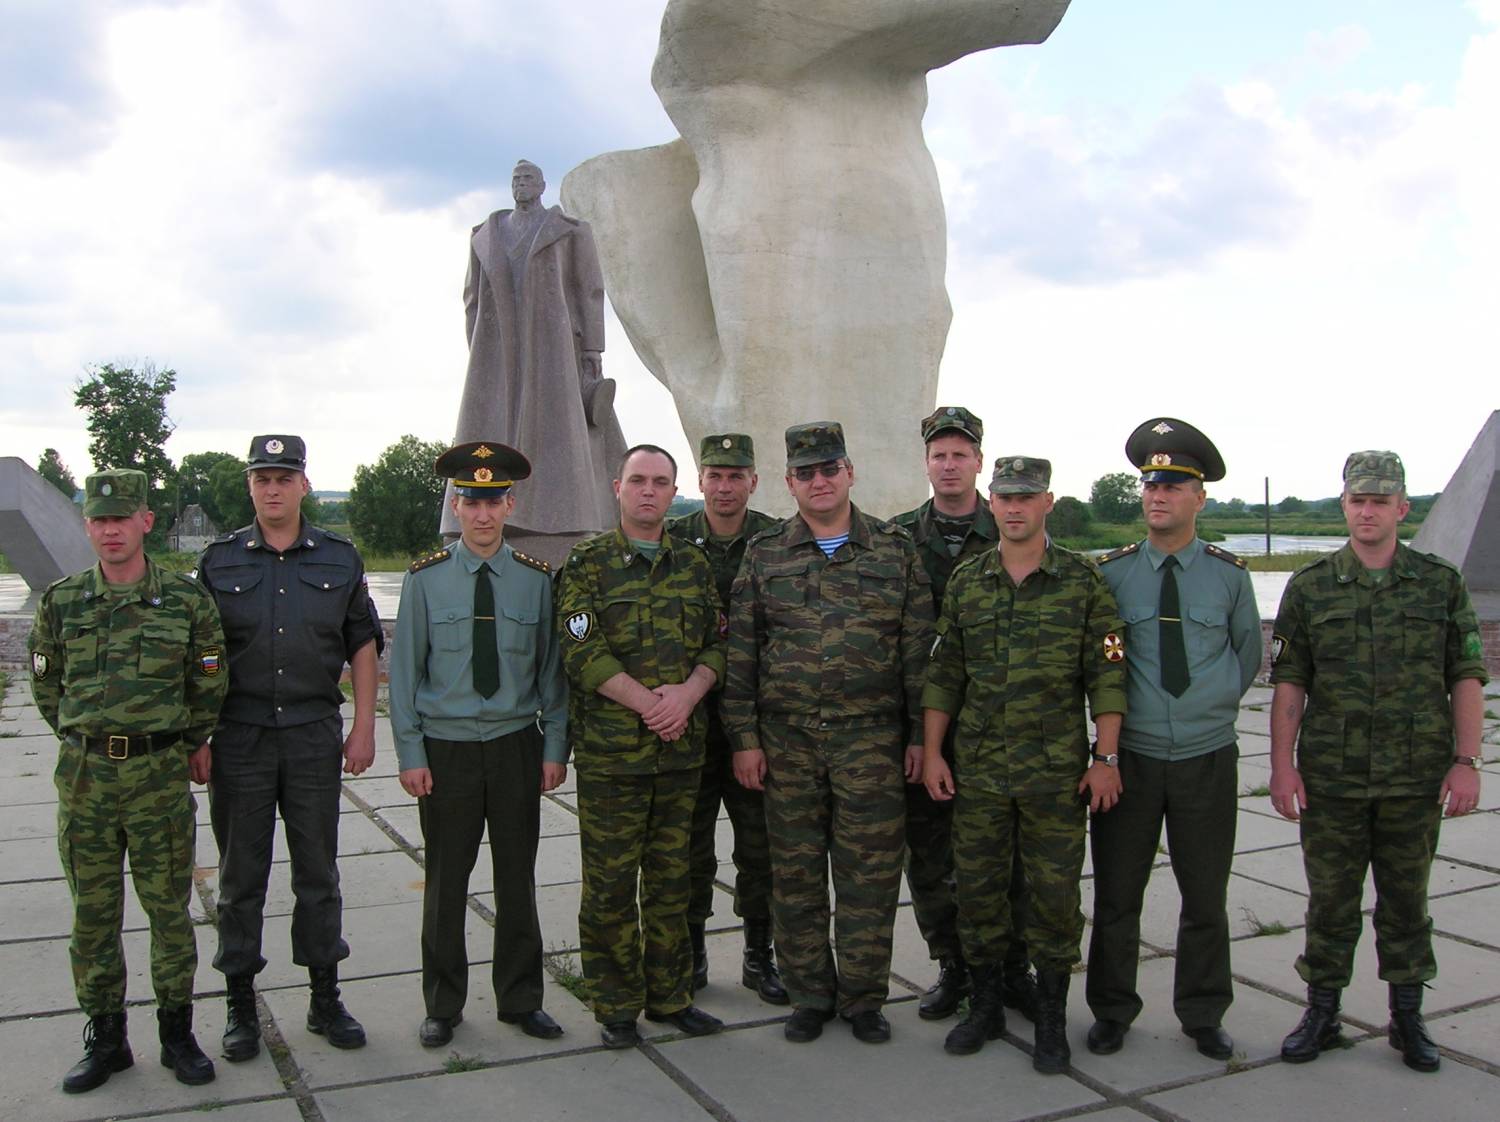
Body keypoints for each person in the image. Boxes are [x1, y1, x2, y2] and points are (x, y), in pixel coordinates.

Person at [1269, 450, 1487, 1073]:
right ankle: (1322, 1011)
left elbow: (1466, 674)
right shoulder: (1310, 585)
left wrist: (1466, 760)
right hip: (1331, 780)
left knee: (1406, 902)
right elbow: (1290, 681)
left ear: (1401, 507)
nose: (1367, 510)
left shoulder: (1438, 582)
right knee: (1330, 903)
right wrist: (1282, 767)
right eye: (1357, 499)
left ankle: (1408, 1016)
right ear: (1344, 505)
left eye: (1379, 500)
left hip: (1413, 778)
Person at [726, 421, 933, 1045]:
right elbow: (741, 653)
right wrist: (745, 739)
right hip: (786, 742)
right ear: (789, 481)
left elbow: (920, 656)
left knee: (868, 877)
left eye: (830, 468)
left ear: (850, 473)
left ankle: (864, 998)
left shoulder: (894, 552)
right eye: (806, 472)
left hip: (870, 742)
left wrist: (924, 738)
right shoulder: (764, 554)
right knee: (795, 876)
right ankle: (810, 994)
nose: (820, 481)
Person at [923, 456, 1126, 1073]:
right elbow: (944, 673)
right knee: (979, 892)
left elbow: (1109, 675)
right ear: (991, 502)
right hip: (980, 770)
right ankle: (984, 1005)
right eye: (1004, 497)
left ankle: (1051, 1017)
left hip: (1054, 773)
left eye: (1026, 497)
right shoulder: (968, 581)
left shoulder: (1083, 582)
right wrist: (932, 751)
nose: (1014, 507)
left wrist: (1106, 757)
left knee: (1055, 897)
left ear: (1048, 503)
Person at [29, 469, 225, 1093]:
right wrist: (85, 734)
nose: (110, 530)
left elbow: (209, 684)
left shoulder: (186, 601)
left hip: (157, 777)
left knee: (168, 908)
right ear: (88, 525)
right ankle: (105, 1036)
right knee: (93, 914)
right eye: (98, 520)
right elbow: (46, 685)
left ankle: (177, 1032)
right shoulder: (62, 601)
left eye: (122, 518)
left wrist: (184, 743)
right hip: (85, 779)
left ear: (145, 520)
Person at [195, 435, 384, 1061]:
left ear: (304, 484)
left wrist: (363, 726)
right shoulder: (221, 562)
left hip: (310, 737)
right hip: (240, 738)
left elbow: (362, 641)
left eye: (283, 477)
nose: (272, 488)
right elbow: (197, 655)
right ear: (250, 487)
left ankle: (324, 997)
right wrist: (199, 734)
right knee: (239, 879)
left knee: (318, 875)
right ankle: (240, 1006)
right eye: (261, 478)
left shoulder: (339, 557)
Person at [1085, 417, 1261, 1062]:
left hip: (1205, 758)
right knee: (1116, 895)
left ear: (1199, 496)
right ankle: (1110, 1009)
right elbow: (1097, 665)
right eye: (1149, 483)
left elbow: (1246, 660)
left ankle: (1203, 1012)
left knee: (1205, 895)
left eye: (1173, 483)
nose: (1157, 494)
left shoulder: (1229, 576)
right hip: (1129, 759)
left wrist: (1204, 713)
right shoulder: (1110, 574)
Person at [389, 441, 569, 1048]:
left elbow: (552, 674)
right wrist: (410, 755)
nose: (484, 514)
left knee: (517, 877)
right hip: (447, 752)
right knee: (446, 881)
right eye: (471, 501)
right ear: (456, 506)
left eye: (494, 501)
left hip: (517, 746)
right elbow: (405, 676)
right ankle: (443, 1003)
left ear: (509, 503)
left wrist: (554, 749)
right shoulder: (424, 581)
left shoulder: (535, 582)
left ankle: (521, 1000)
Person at [556, 444, 726, 1048]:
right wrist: (650, 704)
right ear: (617, 487)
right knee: (608, 886)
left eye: (660, 481)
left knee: (673, 882)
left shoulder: (695, 565)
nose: (648, 491)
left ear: (675, 490)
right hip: (613, 757)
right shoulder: (587, 563)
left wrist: (688, 694)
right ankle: (617, 1007)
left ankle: (672, 997)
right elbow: (582, 652)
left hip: (680, 753)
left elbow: (717, 645)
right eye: (638, 480)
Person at [893, 406, 1037, 1023]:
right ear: (926, 464)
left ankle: (1011, 971)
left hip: (1001, 731)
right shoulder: (897, 540)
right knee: (928, 858)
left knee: (1010, 860)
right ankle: (952, 966)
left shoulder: (1011, 528)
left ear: (979, 461)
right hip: (922, 730)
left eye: (960, 455)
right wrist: (913, 736)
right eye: (939, 455)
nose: (949, 465)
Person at [446, 159, 627, 543]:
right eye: (515, 180)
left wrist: (593, 347)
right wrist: (480, 358)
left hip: (555, 347)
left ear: (543, 185)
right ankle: (487, 503)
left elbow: (590, 290)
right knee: (492, 427)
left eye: (528, 179)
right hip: (496, 351)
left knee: (558, 428)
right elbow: (472, 299)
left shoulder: (571, 232)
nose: (521, 185)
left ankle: (563, 515)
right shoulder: (485, 235)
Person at [666, 434, 786, 1004]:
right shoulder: (673, 541)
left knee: (759, 848)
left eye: (736, 475)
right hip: (687, 722)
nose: (724, 486)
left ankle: (759, 955)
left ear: (753, 482)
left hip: (756, 726)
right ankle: (690, 952)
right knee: (689, 846)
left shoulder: (777, 541)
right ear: (700, 481)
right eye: (714, 474)